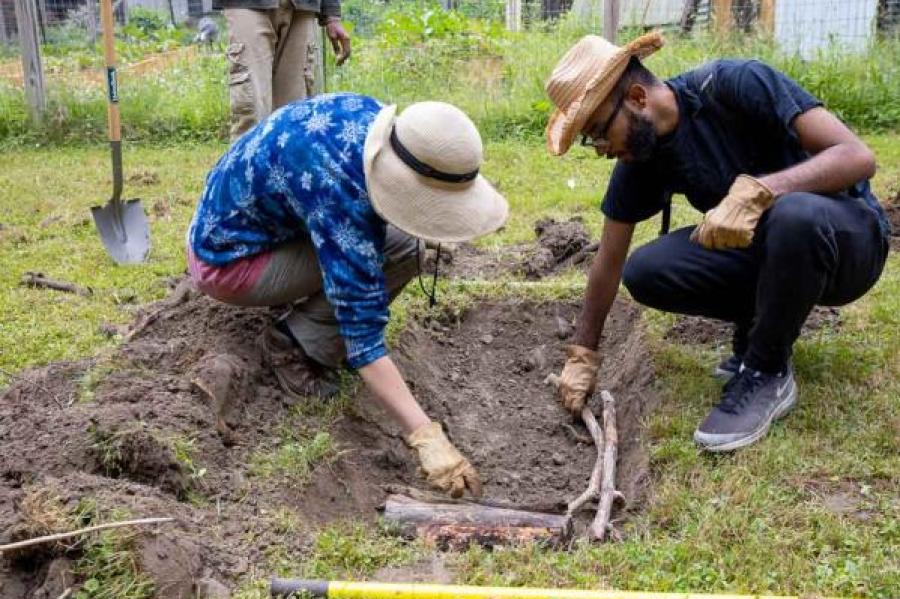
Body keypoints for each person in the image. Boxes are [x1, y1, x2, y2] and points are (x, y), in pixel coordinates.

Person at [544, 33, 891, 452]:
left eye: (599, 130)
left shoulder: (735, 84)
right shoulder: (643, 153)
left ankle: (766, 372)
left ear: (637, 99)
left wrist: (764, 188)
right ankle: (758, 329)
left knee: (795, 215)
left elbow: (857, 157)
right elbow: (610, 261)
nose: (601, 149)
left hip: (848, 241)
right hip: (772, 254)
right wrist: (583, 352)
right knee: (647, 270)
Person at [186, 93, 508, 495]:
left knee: (395, 247)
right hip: (227, 261)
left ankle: (300, 305)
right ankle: (294, 345)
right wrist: (427, 436)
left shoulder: (372, 124)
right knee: (398, 250)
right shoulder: (342, 195)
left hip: (244, 220)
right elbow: (363, 339)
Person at [214, 0, 353, 139]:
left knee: (295, 119)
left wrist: (332, 13)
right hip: (248, 5)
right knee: (251, 112)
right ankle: (247, 161)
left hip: (302, 7)